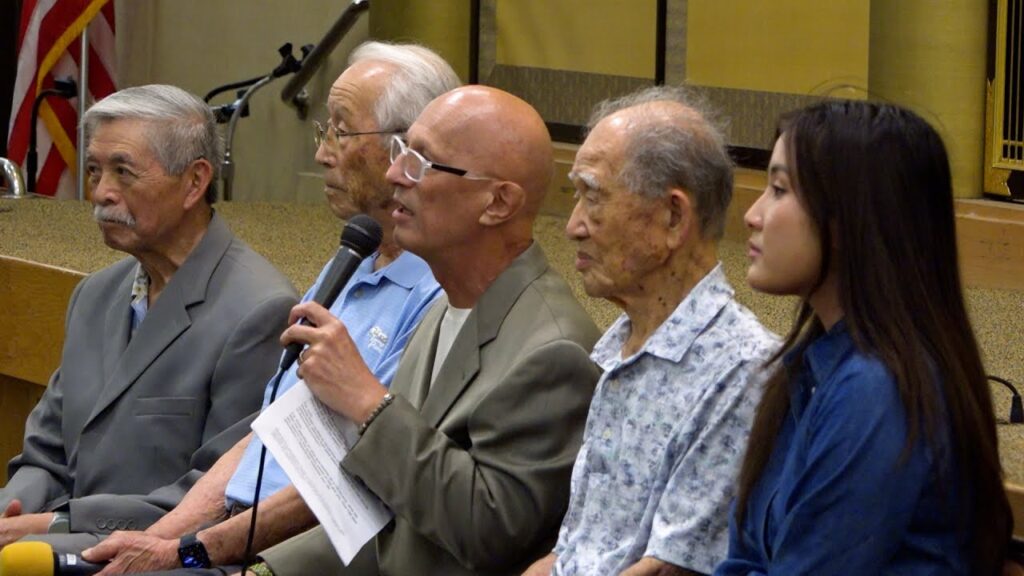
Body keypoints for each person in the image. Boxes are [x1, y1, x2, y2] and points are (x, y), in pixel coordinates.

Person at [75, 42, 459, 574]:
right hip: (227, 535)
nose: (322, 154)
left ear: (405, 151)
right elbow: (266, 431)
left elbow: (353, 479)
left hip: (289, 556)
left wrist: (188, 550)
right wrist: (161, 539)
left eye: (340, 132)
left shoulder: (437, 295)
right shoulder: (353, 258)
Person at [248, 85, 603, 576]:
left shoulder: (554, 351)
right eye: (402, 150)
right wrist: (263, 572)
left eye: (422, 162)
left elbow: (486, 533)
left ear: (498, 202)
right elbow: (389, 521)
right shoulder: (446, 306)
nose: (395, 173)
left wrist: (368, 403)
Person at [715, 101, 1013, 575]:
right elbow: (744, 556)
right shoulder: (810, 364)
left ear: (848, 220)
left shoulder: (877, 389)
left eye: (779, 190)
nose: (752, 215)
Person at [0, 85, 298, 549]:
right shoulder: (94, 295)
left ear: (195, 182)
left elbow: (217, 499)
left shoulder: (260, 311)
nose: (101, 193)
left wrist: (48, 528)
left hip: (159, 553)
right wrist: (10, 512)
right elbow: (46, 454)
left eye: (123, 172)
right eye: (94, 170)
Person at [522, 87, 778, 576]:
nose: (572, 226)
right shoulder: (622, 347)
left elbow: (668, 570)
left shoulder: (742, 370)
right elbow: (575, 549)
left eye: (593, 197)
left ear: (672, 217)